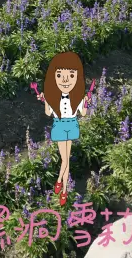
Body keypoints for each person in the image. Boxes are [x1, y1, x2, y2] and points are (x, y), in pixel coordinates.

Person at [35, 51, 93, 206]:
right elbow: (48, 112)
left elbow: (84, 113)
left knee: (65, 160)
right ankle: (63, 188)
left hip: (72, 125)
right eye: (60, 75)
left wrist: (87, 101)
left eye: (71, 75)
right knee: (65, 160)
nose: (66, 80)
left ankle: (62, 185)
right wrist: (45, 100)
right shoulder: (55, 97)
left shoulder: (77, 97)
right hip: (60, 125)